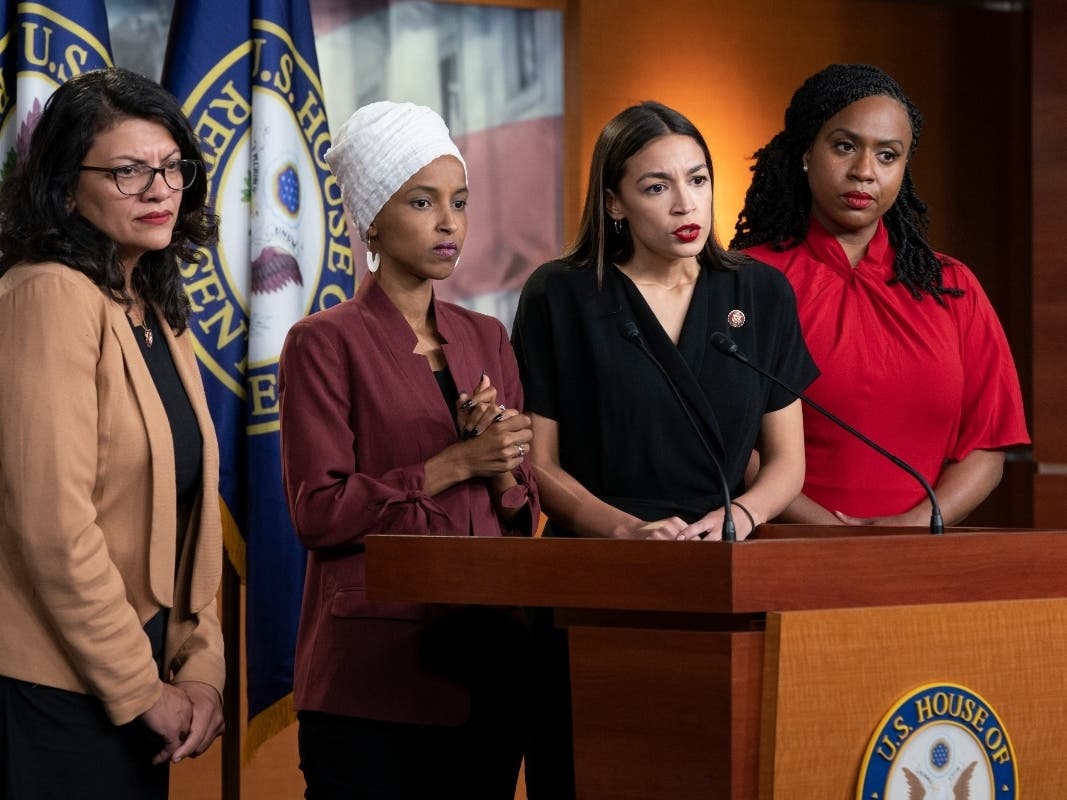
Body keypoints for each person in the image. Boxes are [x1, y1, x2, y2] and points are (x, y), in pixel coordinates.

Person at [510, 100, 818, 798]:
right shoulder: (560, 294)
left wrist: (737, 518)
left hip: (722, 581)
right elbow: (538, 463)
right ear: (614, 201)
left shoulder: (758, 292)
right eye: (656, 187)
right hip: (591, 583)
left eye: (698, 179)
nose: (686, 203)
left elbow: (787, 462)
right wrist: (624, 530)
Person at [278, 101, 539, 800]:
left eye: (458, 202)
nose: (448, 222)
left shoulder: (486, 337)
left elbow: (523, 512)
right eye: (422, 202)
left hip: (488, 660)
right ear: (369, 218)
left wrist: (504, 460)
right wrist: (455, 462)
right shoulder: (323, 341)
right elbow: (319, 513)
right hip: (372, 679)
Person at [0, 68, 225, 799]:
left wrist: (202, 671)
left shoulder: (150, 301)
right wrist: (143, 689)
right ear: (66, 188)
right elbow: (51, 529)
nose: (160, 190)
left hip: (137, 678)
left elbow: (193, 515)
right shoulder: (47, 295)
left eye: (171, 167)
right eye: (129, 172)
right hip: (53, 691)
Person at [731, 63, 1029, 526]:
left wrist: (906, 530)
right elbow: (733, 438)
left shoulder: (953, 286)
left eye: (888, 155)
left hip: (918, 560)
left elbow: (986, 445)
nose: (865, 171)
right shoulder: (747, 280)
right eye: (845, 146)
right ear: (806, 151)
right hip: (783, 552)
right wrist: (826, 534)